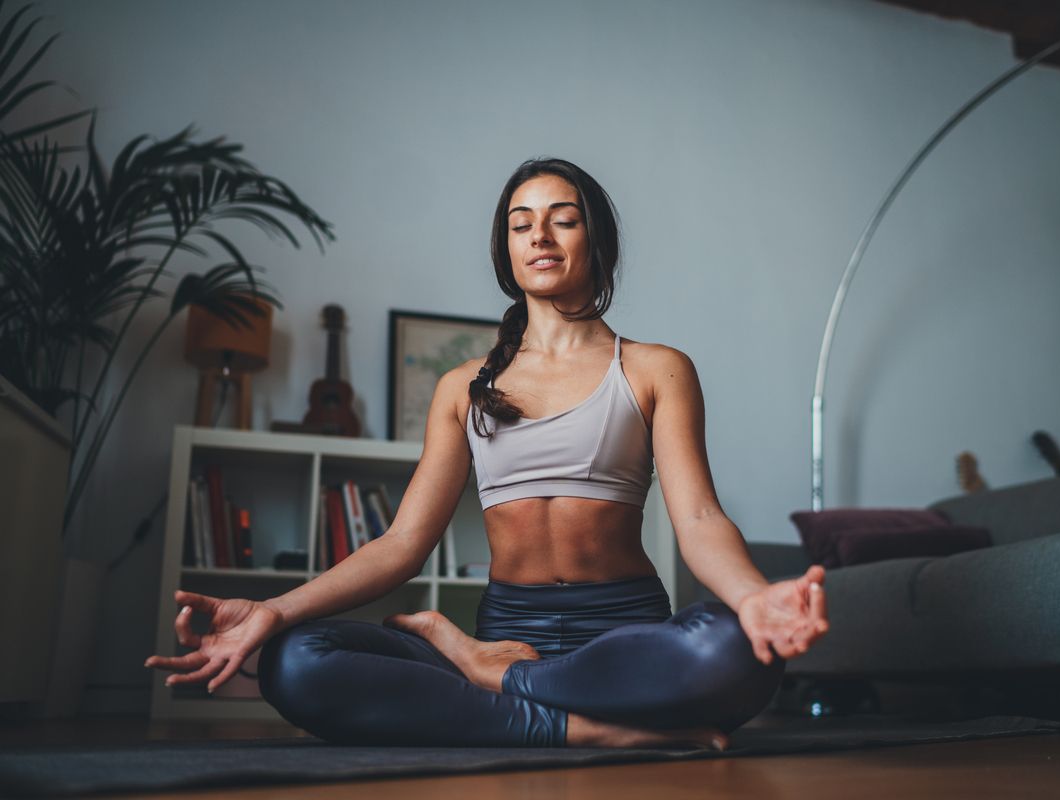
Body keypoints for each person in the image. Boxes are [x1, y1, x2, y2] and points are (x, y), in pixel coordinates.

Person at [145, 157, 830, 750]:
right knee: (294, 661)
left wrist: (755, 599)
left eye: (563, 218)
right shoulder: (462, 388)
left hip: (622, 639)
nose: (539, 233)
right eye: (519, 222)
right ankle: (580, 727)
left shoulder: (656, 369)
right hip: (511, 628)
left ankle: (494, 681)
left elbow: (702, 520)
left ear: (599, 239)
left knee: (740, 650)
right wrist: (276, 611)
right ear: (505, 249)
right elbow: (402, 543)